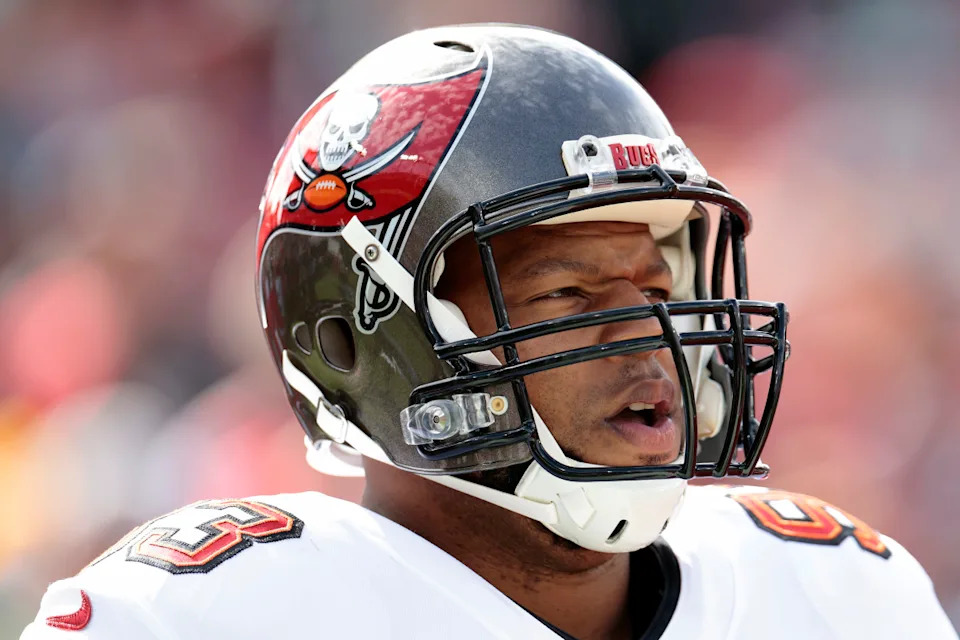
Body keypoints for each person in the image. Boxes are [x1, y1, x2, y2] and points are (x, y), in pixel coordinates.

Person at [22, 24, 957, 640]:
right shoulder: (213, 615)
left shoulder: (835, 596)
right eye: (571, 295)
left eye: (657, 285)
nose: (651, 338)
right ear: (352, 348)